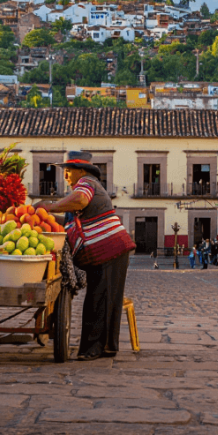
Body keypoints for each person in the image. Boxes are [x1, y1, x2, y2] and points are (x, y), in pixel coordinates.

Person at [35, 151, 133, 360]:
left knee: (99, 298)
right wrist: (46, 216)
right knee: (105, 298)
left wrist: (49, 206)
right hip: (108, 251)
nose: (65, 176)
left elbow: (80, 200)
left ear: (82, 171)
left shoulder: (87, 184)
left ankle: (93, 349)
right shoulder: (83, 189)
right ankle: (106, 347)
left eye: (68, 171)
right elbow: (71, 222)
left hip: (109, 249)